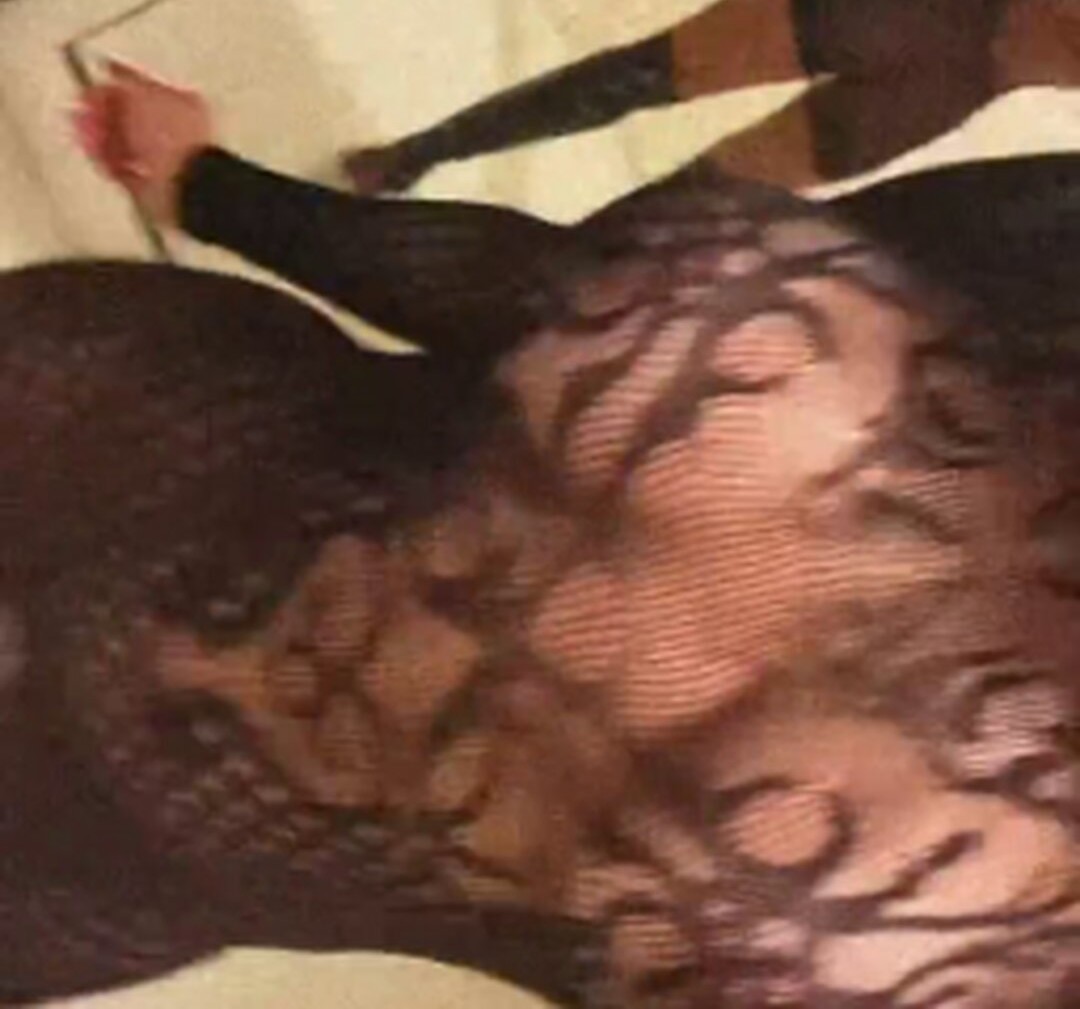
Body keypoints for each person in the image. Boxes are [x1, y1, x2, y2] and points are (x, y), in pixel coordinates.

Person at [0, 58, 1062, 1009]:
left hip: (102, 850)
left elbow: (542, 287)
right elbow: (531, 286)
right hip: (112, 443)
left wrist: (220, 191)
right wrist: (218, 189)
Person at [342, 0, 1080, 194]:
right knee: (638, 78)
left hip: (943, 84)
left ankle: (505, 315)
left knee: (700, 199)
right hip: (900, 13)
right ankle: (420, 151)